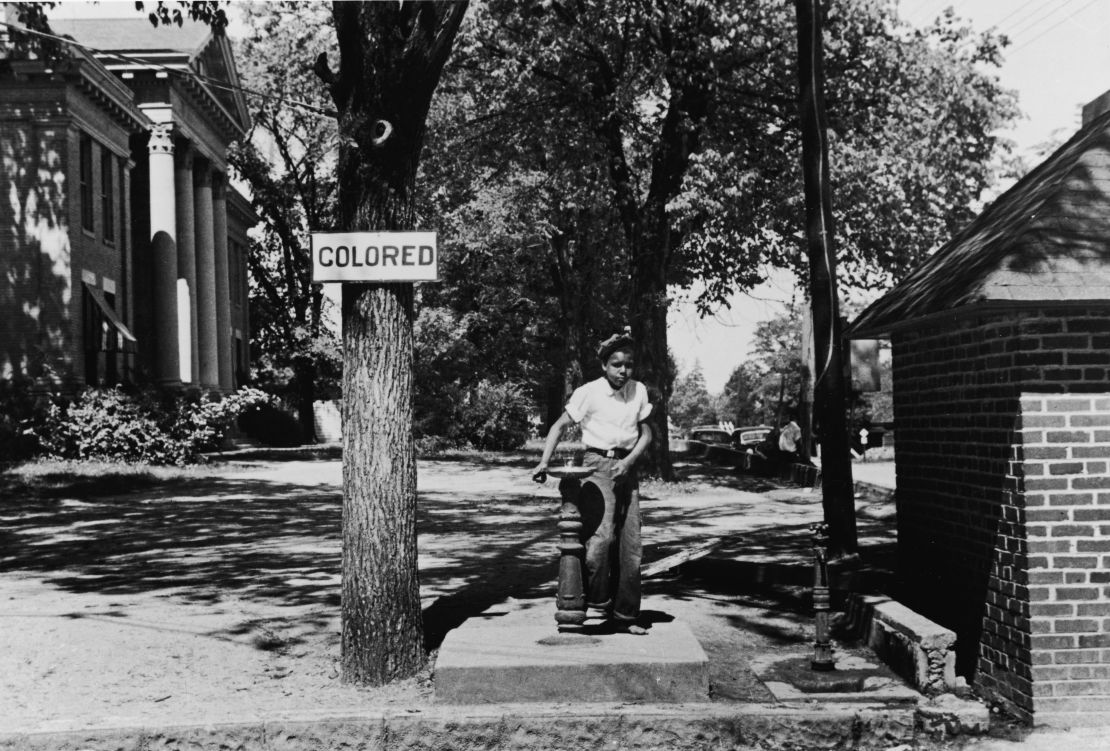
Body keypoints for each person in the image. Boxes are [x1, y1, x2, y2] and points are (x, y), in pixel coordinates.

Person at [533, 331, 654, 635]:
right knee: (600, 543)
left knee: (631, 545)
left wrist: (629, 462)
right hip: (596, 466)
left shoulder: (638, 390)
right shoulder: (589, 392)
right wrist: (544, 462)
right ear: (604, 365)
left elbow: (647, 433)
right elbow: (560, 425)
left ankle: (625, 616)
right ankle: (590, 601)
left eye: (628, 365)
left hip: (627, 468)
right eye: (616, 364)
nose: (622, 371)